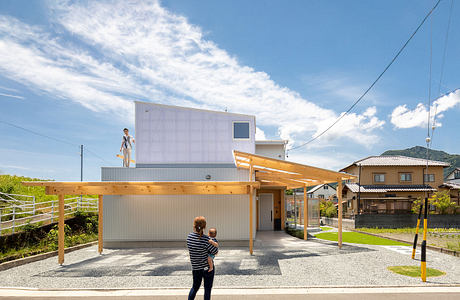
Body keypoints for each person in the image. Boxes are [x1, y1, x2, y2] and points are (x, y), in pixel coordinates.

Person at [187, 216, 218, 300]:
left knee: (195, 287)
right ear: (204, 226)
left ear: (194, 225)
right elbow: (215, 251)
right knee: (207, 289)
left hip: (196, 268)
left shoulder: (189, 237)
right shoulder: (206, 239)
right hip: (207, 268)